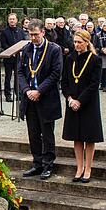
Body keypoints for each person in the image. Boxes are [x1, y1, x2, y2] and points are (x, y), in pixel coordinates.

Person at [18, 19, 63, 180]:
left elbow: (55, 74)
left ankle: (48, 164)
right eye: (31, 35)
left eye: (36, 34)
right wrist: (26, 90)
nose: (33, 38)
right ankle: (37, 162)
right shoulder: (27, 49)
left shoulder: (54, 49)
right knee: (33, 133)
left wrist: (39, 91)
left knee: (47, 133)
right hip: (29, 98)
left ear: (43, 32)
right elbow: (21, 73)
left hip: (46, 98)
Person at [61, 30, 103, 183]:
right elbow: (64, 81)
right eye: (75, 42)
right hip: (72, 103)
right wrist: (70, 99)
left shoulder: (95, 60)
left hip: (88, 103)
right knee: (76, 137)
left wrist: (80, 101)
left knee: (88, 137)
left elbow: (94, 84)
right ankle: (79, 167)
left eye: (79, 42)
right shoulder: (69, 59)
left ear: (87, 42)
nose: (76, 45)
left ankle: (88, 167)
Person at [0, 13, 26, 102]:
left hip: (18, 58)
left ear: (16, 20)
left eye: (13, 19)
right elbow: (3, 44)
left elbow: (24, 42)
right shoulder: (4, 31)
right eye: (10, 19)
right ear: (8, 20)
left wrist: (20, 51)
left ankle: (18, 94)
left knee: (18, 76)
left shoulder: (20, 31)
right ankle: (8, 95)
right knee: (8, 76)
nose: (12, 21)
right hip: (9, 57)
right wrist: (11, 51)